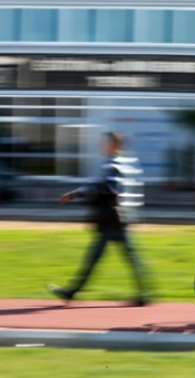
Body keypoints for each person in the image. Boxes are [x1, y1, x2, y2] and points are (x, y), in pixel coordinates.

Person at [48, 131, 149, 307]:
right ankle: (144, 293)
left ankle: (72, 291)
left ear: (114, 144)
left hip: (113, 219)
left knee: (98, 257)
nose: (100, 146)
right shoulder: (121, 162)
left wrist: (76, 194)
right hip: (117, 218)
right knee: (125, 258)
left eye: (104, 143)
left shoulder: (115, 163)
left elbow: (110, 186)